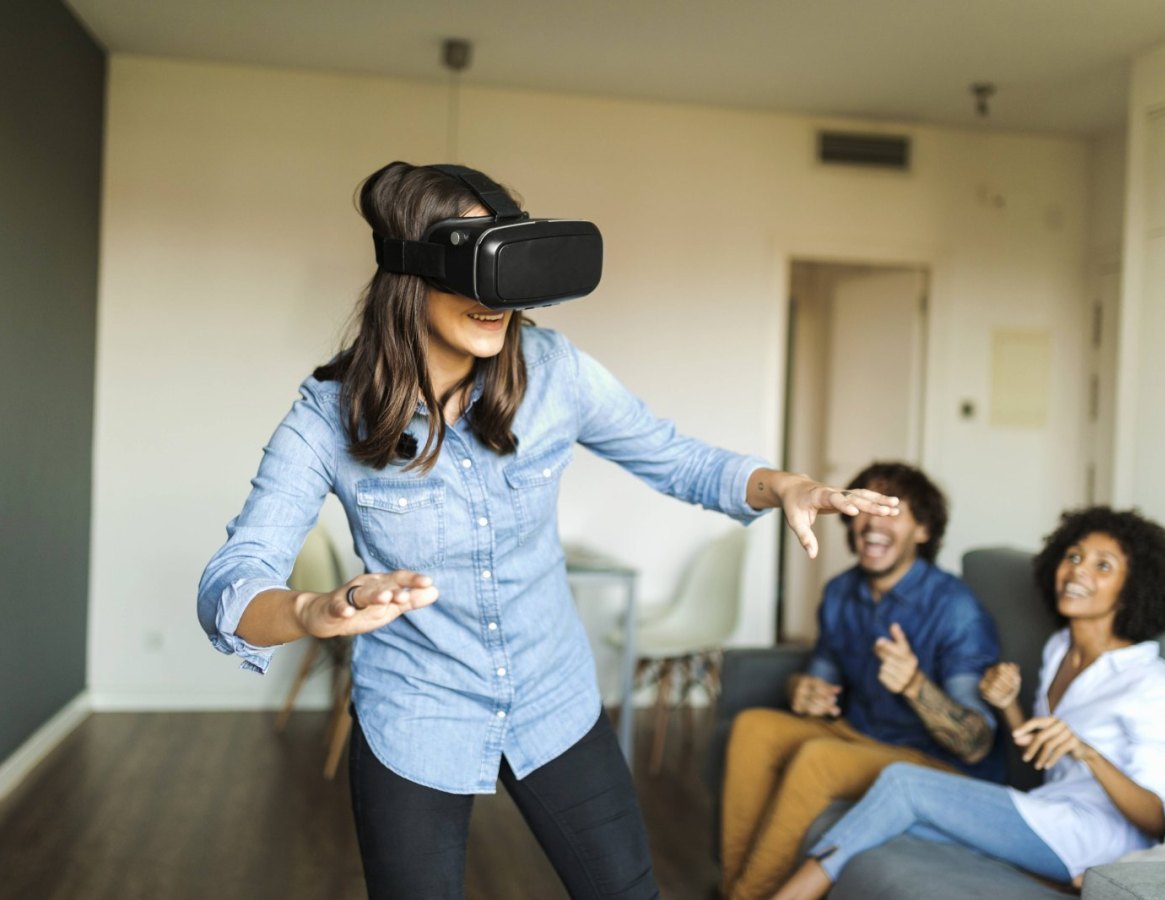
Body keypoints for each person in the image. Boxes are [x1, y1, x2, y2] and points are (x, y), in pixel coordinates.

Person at [196, 161, 900, 900]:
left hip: (553, 697)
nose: (497, 297)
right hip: (415, 712)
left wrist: (782, 485)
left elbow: (676, 459)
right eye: (477, 262)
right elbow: (230, 583)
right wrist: (315, 609)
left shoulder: (555, 372)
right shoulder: (324, 418)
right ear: (413, 270)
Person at [772, 506, 1165, 899]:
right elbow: (1042, 756)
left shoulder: (1154, 687)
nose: (1076, 571)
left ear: (1133, 588)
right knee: (899, 821)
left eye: (1103, 565)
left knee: (902, 783)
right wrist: (1008, 705)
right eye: (1074, 556)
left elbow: (1156, 817)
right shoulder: (1060, 649)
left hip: (1097, 835)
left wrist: (1087, 752)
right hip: (1047, 814)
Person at [721, 462, 1004, 900]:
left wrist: (914, 685)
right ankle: (734, 889)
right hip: (861, 732)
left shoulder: (955, 609)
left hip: (929, 760)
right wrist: (804, 690)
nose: (871, 523)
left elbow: (976, 743)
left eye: (890, 511)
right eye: (861, 508)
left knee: (818, 758)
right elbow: (822, 677)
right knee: (753, 728)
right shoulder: (840, 591)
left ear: (923, 531)